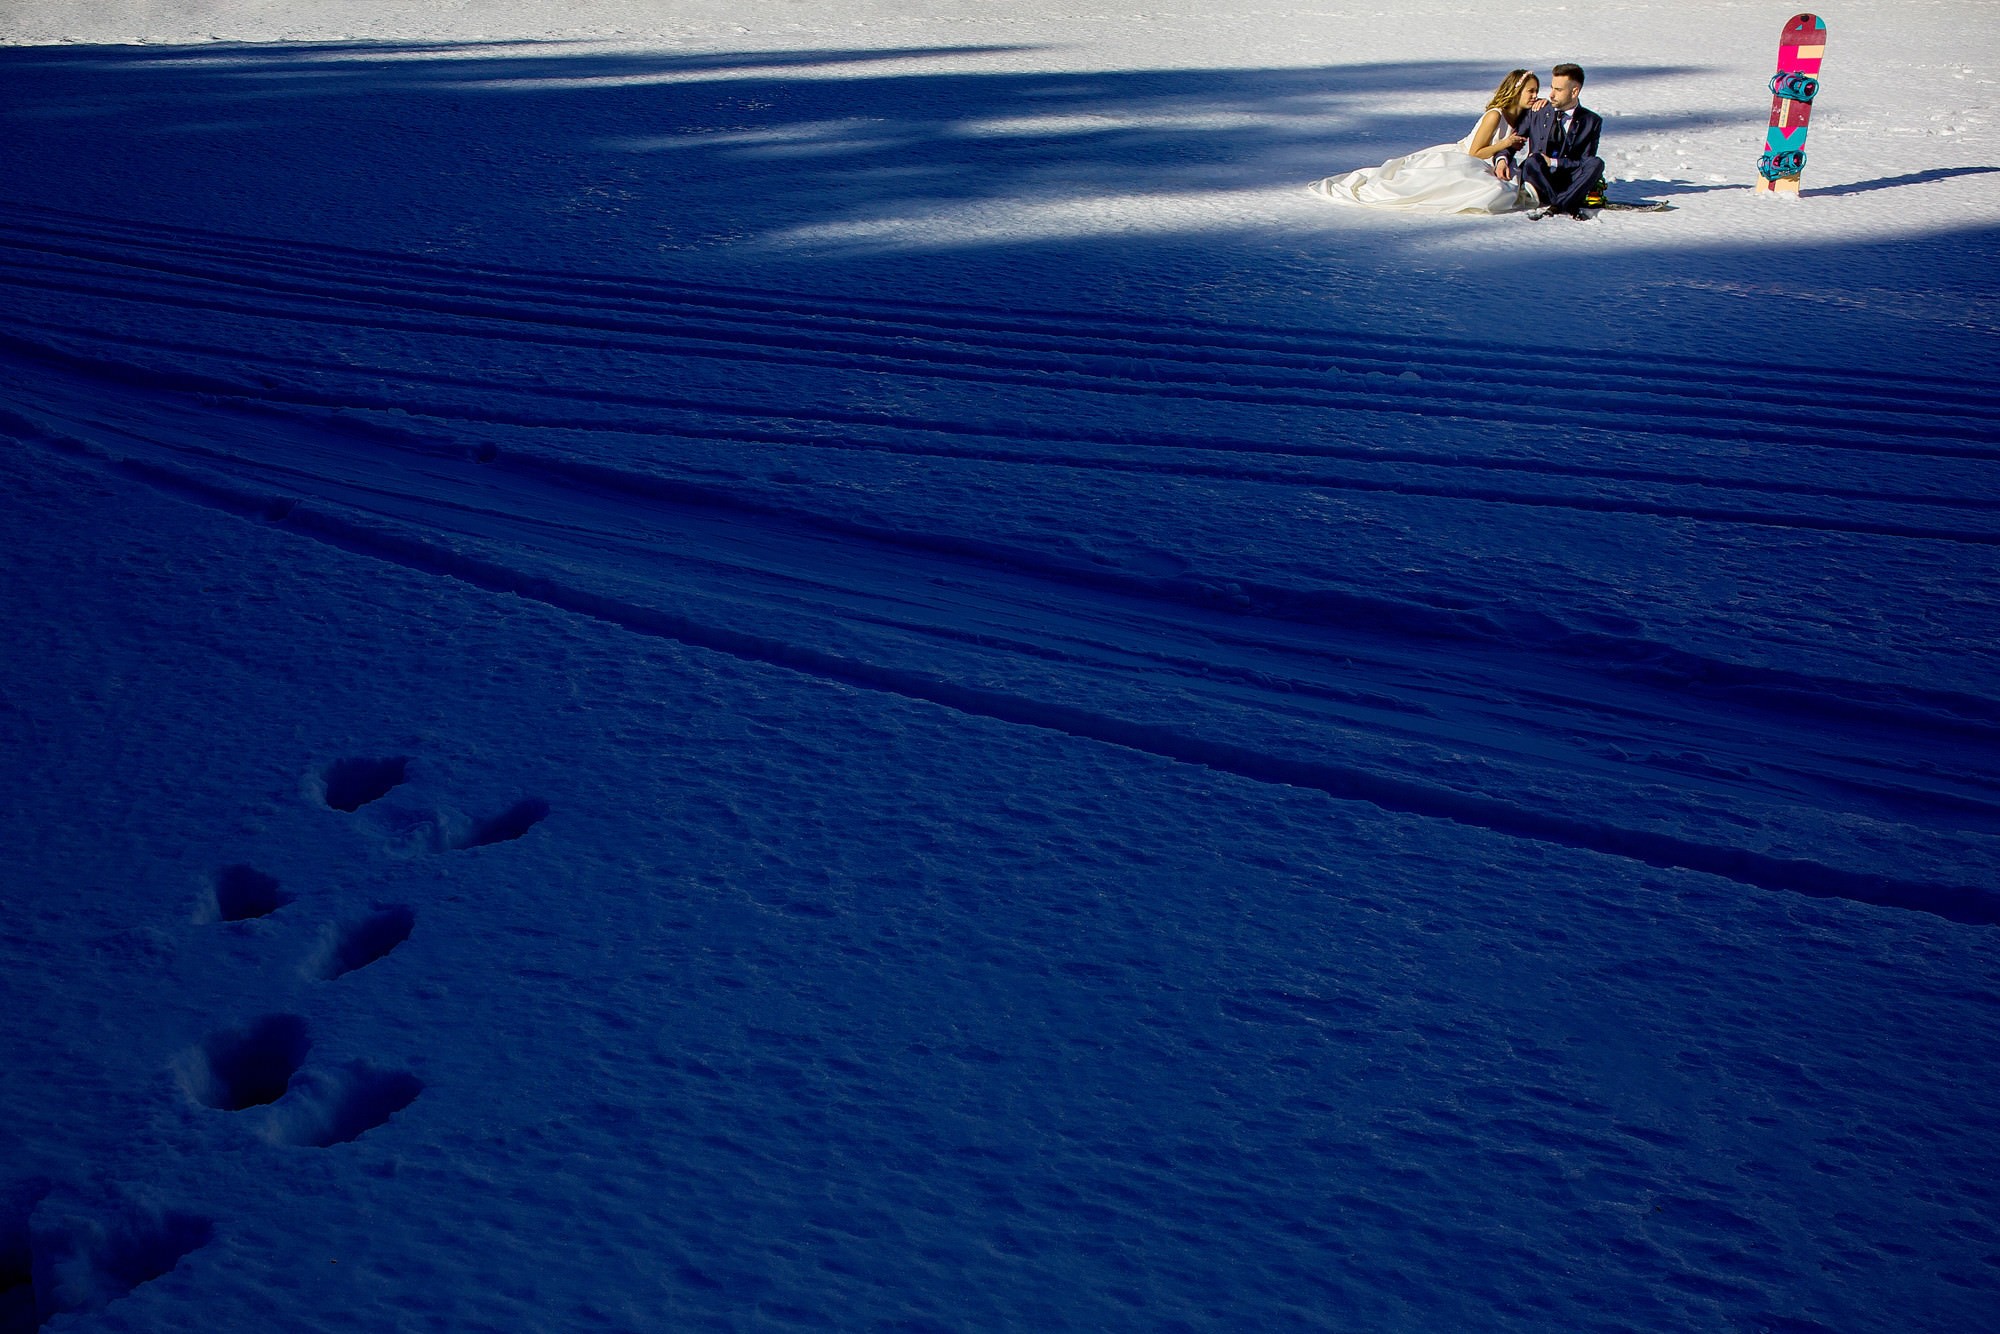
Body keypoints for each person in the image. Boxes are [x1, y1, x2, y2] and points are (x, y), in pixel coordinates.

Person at [1310, 70, 1538, 215]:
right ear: (1516, 91)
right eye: (1530, 91)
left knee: (1503, 190)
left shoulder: (1521, 116)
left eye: (1536, 91)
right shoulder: (1495, 115)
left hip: (1487, 163)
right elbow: (1474, 152)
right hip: (1464, 159)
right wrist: (1505, 143)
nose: (1534, 95)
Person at [1501, 63, 1604, 218]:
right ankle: (1566, 202)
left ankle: (1558, 204)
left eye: (1558, 90)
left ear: (1574, 91)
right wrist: (1502, 159)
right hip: (1539, 177)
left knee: (1596, 163)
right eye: (1552, 88)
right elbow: (1512, 141)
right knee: (1533, 160)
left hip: (1569, 179)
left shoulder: (1591, 121)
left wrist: (1554, 162)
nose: (1551, 95)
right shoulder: (1537, 111)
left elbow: (1585, 161)